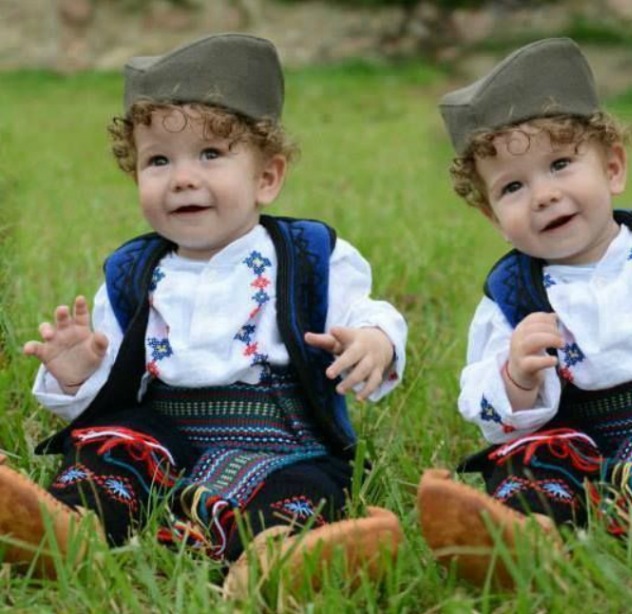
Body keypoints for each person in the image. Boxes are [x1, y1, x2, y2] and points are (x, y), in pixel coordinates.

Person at [0, 33, 406, 597]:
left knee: (304, 489)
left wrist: (374, 339)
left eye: (210, 155)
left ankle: (273, 561)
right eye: (158, 160)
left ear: (267, 177)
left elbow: (369, 310)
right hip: (166, 434)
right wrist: (76, 372)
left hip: (280, 440)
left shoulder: (309, 254)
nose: (182, 177)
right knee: (113, 447)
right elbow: (111, 385)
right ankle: (75, 526)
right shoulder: (133, 271)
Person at [417, 37, 632, 588]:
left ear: (613, 167)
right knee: (526, 468)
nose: (543, 195)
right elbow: (488, 408)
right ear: (491, 214)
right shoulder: (510, 293)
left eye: (559, 164)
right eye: (512, 186)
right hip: (584, 447)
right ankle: (524, 544)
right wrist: (516, 374)